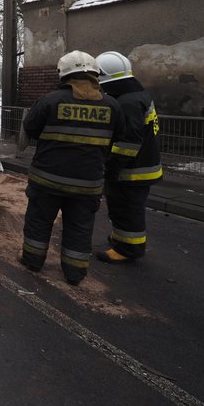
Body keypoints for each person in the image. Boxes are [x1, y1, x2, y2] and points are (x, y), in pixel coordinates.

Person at [19, 50, 124, 285]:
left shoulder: (50, 101)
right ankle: (74, 273)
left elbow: (31, 129)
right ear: (95, 76)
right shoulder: (112, 106)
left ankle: (32, 261)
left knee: (38, 221)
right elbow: (118, 137)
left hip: (47, 180)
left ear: (63, 75)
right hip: (87, 185)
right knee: (79, 227)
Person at [95, 51, 163, 264]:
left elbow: (128, 143)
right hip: (143, 165)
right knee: (121, 207)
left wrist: (113, 168)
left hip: (132, 171)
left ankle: (128, 249)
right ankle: (120, 239)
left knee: (127, 209)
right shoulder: (139, 95)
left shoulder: (127, 104)